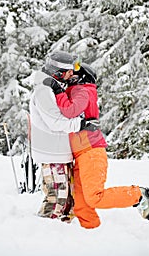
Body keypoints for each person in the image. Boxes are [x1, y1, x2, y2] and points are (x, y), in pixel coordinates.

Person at [45, 62, 149, 229]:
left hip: (91, 152)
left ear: (82, 78)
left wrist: (57, 90)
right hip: (80, 155)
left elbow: (70, 111)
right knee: (81, 206)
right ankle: (92, 238)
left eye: (73, 74)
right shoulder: (75, 91)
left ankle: (137, 194)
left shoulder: (84, 91)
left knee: (94, 197)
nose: (69, 76)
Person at [29, 51, 98, 221]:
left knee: (67, 201)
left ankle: (62, 236)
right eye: (69, 71)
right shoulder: (43, 91)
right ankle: (41, 232)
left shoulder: (53, 88)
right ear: (58, 72)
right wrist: (81, 124)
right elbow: (56, 122)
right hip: (51, 152)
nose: (72, 74)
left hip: (59, 151)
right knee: (56, 200)